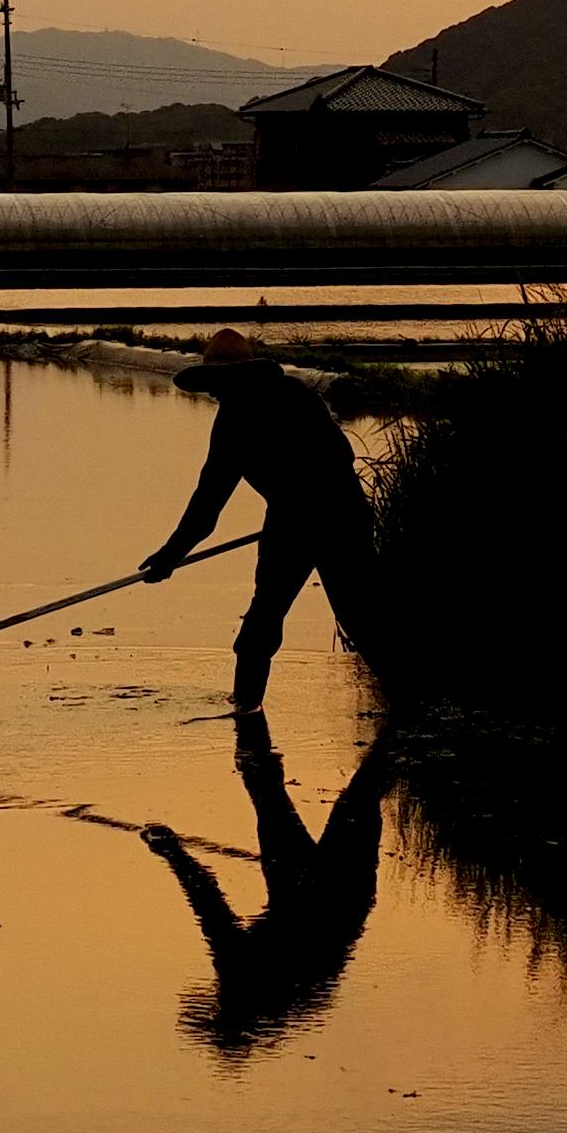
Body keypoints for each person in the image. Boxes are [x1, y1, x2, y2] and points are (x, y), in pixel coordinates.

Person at [144, 326, 397, 709]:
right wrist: (171, 554)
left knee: (361, 620)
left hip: (336, 517)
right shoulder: (232, 420)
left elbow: (336, 460)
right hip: (293, 520)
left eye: (221, 383)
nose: (216, 392)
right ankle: (246, 709)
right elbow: (208, 500)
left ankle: (411, 700)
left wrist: (302, 508)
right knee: (261, 629)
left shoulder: (291, 400)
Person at [141, 717, 392, 1054]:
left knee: (270, 785)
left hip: (312, 891)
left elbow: (209, 903)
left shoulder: (277, 997)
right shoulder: (253, 984)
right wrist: (172, 852)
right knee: (352, 794)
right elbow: (207, 901)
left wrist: (174, 852)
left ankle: (253, 729)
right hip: (336, 891)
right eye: (214, 1008)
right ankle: (405, 724)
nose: (212, 996)